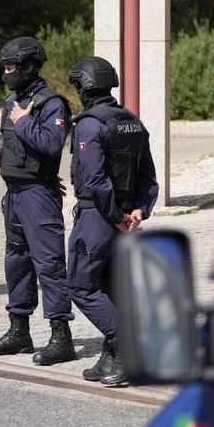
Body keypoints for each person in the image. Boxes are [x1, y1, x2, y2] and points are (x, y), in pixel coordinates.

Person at [0, 36, 76, 365]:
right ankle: (18, 331)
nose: (7, 73)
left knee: (49, 265)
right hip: (15, 195)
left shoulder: (52, 103)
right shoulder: (13, 101)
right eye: (4, 68)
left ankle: (61, 337)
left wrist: (23, 121)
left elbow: (51, 145)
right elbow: (16, 149)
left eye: (11, 67)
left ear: (30, 67)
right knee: (16, 263)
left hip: (38, 197)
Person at [65, 57, 159, 387]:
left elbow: (94, 178)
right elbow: (149, 175)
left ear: (84, 86)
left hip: (99, 218)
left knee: (80, 285)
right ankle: (111, 360)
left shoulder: (90, 125)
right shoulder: (132, 121)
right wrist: (140, 211)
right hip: (125, 219)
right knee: (111, 287)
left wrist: (117, 218)